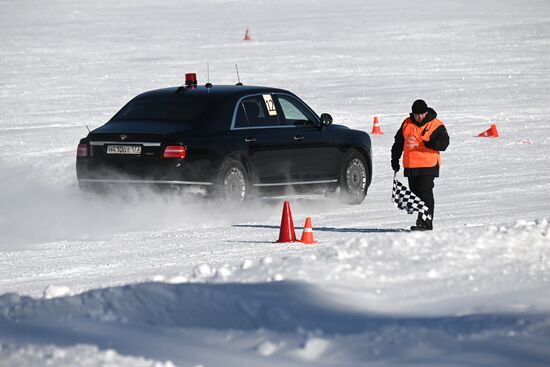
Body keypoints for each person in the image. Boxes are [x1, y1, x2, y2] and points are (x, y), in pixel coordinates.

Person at [391, 99, 450, 231]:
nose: (420, 117)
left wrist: (434, 144)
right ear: (412, 114)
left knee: (425, 193)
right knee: (416, 194)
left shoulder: (435, 124)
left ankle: (425, 223)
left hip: (428, 165)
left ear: (426, 112)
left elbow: (445, 142)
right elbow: (398, 143)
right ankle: (421, 221)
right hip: (411, 165)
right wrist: (394, 159)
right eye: (417, 115)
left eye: (422, 114)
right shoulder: (406, 123)